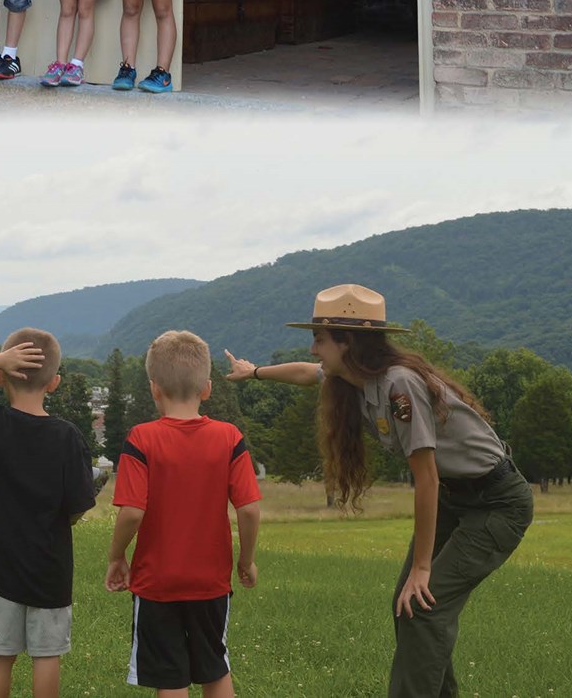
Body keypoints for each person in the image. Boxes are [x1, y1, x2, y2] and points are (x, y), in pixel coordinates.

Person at [224, 284, 534, 698]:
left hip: (496, 503)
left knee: (423, 604)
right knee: (411, 606)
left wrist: (422, 568)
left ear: (347, 341)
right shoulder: (353, 379)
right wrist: (254, 372)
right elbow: (303, 373)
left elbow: (426, 479)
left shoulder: (399, 386)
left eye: (319, 339)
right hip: (458, 498)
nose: (315, 350)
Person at [0, 330, 97, 698]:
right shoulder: (68, 437)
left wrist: (0, 358)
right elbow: (76, 509)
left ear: (0, 376)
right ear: (54, 383)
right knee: (46, 656)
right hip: (49, 569)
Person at [106, 329, 260, 698]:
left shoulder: (141, 438)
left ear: (154, 388)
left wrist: (116, 556)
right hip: (211, 581)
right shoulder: (229, 437)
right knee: (215, 669)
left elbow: (132, 511)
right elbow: (250, 509)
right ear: (206, 389)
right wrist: (246, 561)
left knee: (170, 679)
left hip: (156, 582)